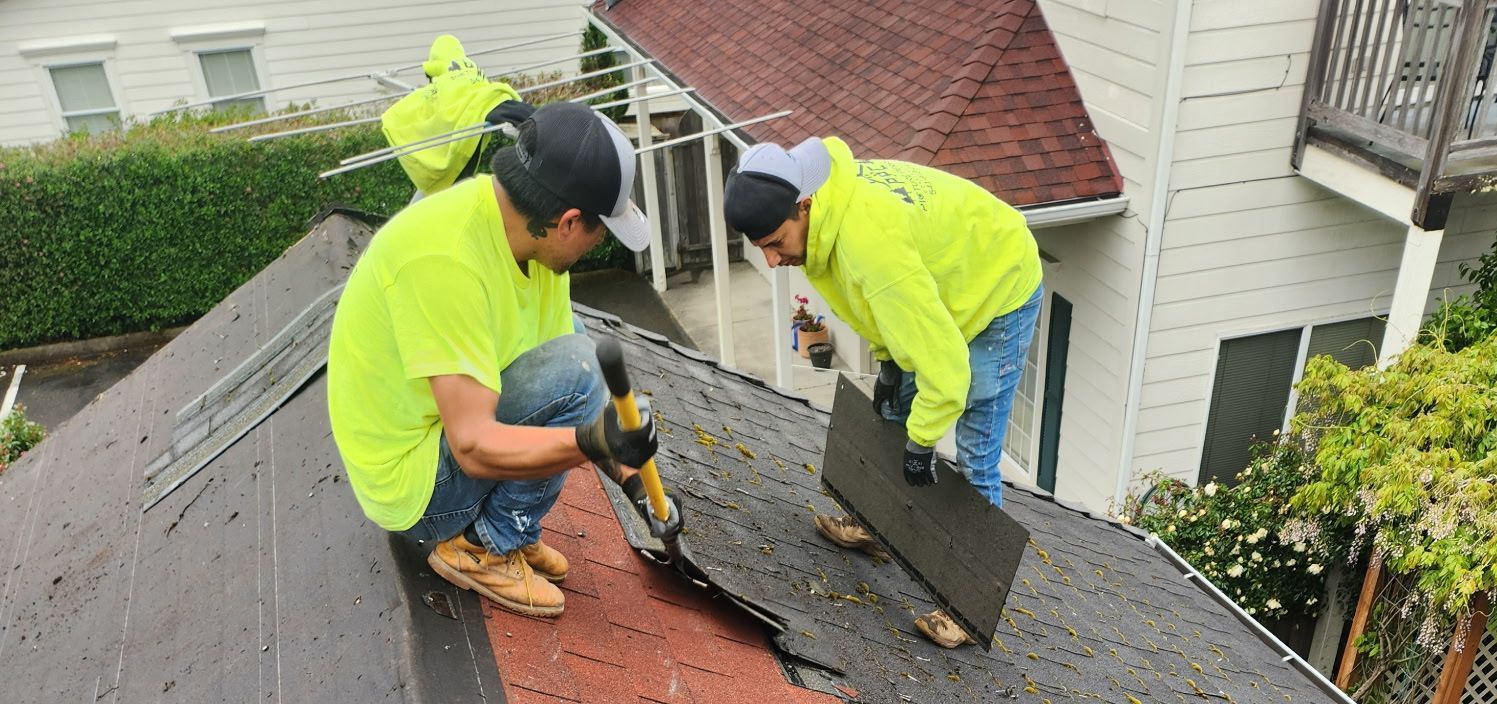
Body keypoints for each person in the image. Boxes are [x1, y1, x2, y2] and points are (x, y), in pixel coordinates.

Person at [327, 100, 658, 619]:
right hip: (412, 487)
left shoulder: (530, 235)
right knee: (579, 370)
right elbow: (475, 445)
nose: (599, 246)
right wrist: (588, 441)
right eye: (601, 231)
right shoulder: (445, 258)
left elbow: (559, 389)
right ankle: (485, 544)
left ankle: (513, 529)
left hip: (443, 440)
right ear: (570, 221)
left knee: (581, 358)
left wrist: (635, 481)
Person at [724, 137, 1043, 649]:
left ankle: (967, 606)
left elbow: (948, 369)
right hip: (947, 279)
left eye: (776, 241)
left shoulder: (869, 245)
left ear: (803, 206)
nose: (771, 259)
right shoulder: (822, 223)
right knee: (894, 402)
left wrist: (921, 443)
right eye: (760, 246)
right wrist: (891, 361)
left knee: (976, 448)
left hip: (1000, 284)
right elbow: (873, 307)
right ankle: (874, 521)